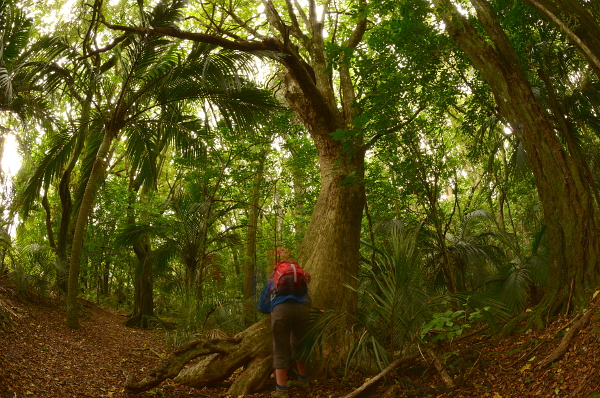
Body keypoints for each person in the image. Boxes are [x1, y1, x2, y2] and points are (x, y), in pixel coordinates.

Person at [258, 249, 311, 398]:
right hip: (304, 310)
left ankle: (281, 390)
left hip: (281, 311)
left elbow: (262, 307)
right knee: (301, 345)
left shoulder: (272, 282)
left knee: (281, 348)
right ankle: (304, 381)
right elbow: (307, 295)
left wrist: (273, 309)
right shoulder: (301, 280)